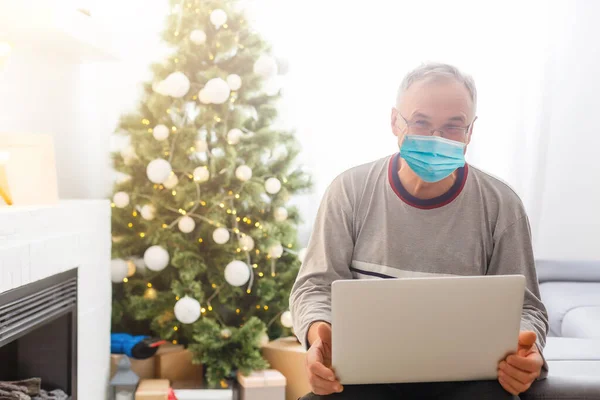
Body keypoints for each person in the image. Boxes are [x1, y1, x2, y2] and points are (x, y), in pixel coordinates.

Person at [289, 62, 549, 399]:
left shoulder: (502, 205)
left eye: (453, 127)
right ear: (396, 122)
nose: (436, 139)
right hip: (366, 376)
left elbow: (528, 309)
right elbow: (314, 286)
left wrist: (527, 350)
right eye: (421, 123)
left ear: (470, 131)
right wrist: (318, 334)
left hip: (469, 380)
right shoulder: (349, 192)